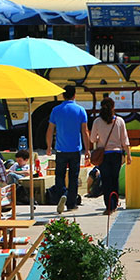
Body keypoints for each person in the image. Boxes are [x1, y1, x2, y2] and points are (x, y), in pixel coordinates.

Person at [46, 85, 90, 213]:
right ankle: (71, 203)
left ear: (63, 95)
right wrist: (87, 150)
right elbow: (84, 131)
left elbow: (50, 130)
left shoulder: (56, 110)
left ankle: (63, 194)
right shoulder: (80, 110)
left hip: (60, 149)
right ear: (74, 95)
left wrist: (49, 147)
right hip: (75, 149)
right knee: (73, 176)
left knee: (59, 176)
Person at [90, 97, 131, 215]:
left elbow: (92, 139)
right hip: (117, 154)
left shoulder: (97, 121)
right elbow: (125, 140)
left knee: (106, 180)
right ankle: (114, 204)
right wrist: (129, 155)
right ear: (113, 107)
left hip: (104, 155)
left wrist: (100, 139)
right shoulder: (120, 121)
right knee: (114, 180)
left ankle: (108, 206)